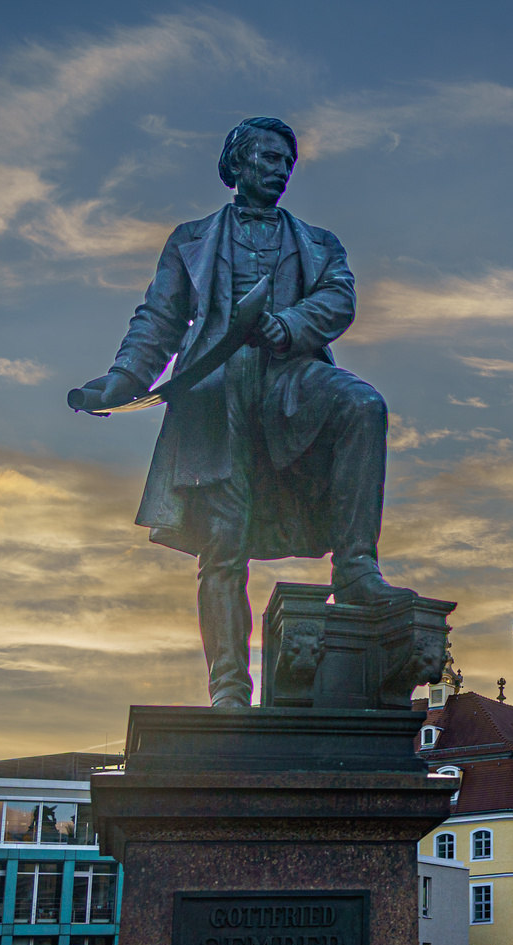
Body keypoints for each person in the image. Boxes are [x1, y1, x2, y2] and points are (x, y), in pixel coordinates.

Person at [71, 117, 413, 707]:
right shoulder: (190, 239)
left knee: (364, 404)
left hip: (291, 378)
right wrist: (122, 381)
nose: (280, 170)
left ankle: (355, 565)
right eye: (268, 158)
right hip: (214, 396)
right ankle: (228, 685)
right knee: (223, 543)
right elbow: (159, 319)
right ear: (236, 165)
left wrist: (289, 325)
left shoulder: (319, 242)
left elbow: (338, 297)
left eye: (287, 161)